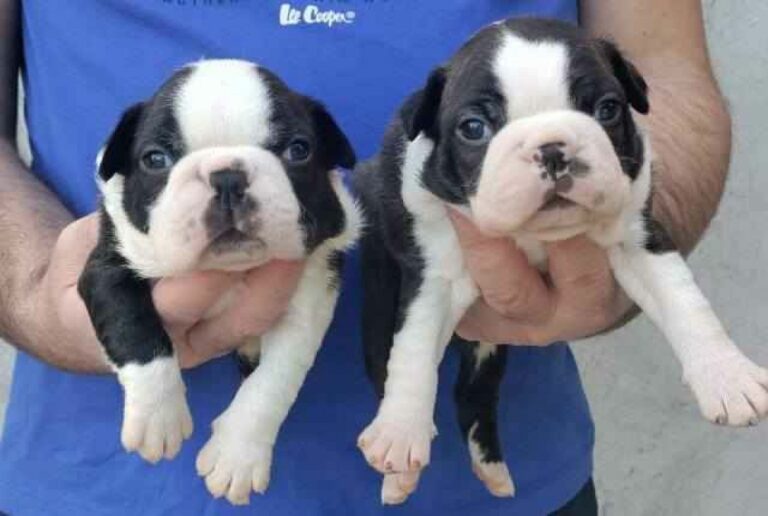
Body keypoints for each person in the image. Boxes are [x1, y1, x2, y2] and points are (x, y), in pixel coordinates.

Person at [0, 1, 730, 515]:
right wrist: (34, 287)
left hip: (511, 480)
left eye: (293, 151)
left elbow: (662, 69)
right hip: (98, 486)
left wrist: (626, 232)